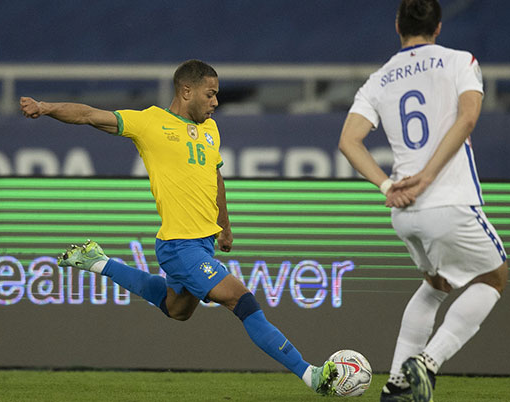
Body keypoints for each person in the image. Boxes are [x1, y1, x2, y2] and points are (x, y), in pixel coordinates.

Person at [19, 59, 338, 396]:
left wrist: (224, 226)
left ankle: (97, 261)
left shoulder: (211, 129)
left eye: (217, 95)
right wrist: (46, 107)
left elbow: (215, 178)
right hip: (179, 246)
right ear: (187, 91)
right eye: (210, 94)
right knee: (242, 300)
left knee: (177, 310)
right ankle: (310, 374)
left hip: (202, 244)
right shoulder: (150, 123)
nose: (216, 102)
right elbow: (88, 115)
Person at [338, 1, 508, 401]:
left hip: (404, 212)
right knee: (494, 277)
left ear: (398, 25)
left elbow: (348, 141)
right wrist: (428, 176)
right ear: (439, 26)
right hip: (447, 201)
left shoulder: (379, 79)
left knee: (436, 284)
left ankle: (396, 384)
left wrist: (387, 186)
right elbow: (468, 117)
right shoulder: (459, 61)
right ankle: (428, 361)